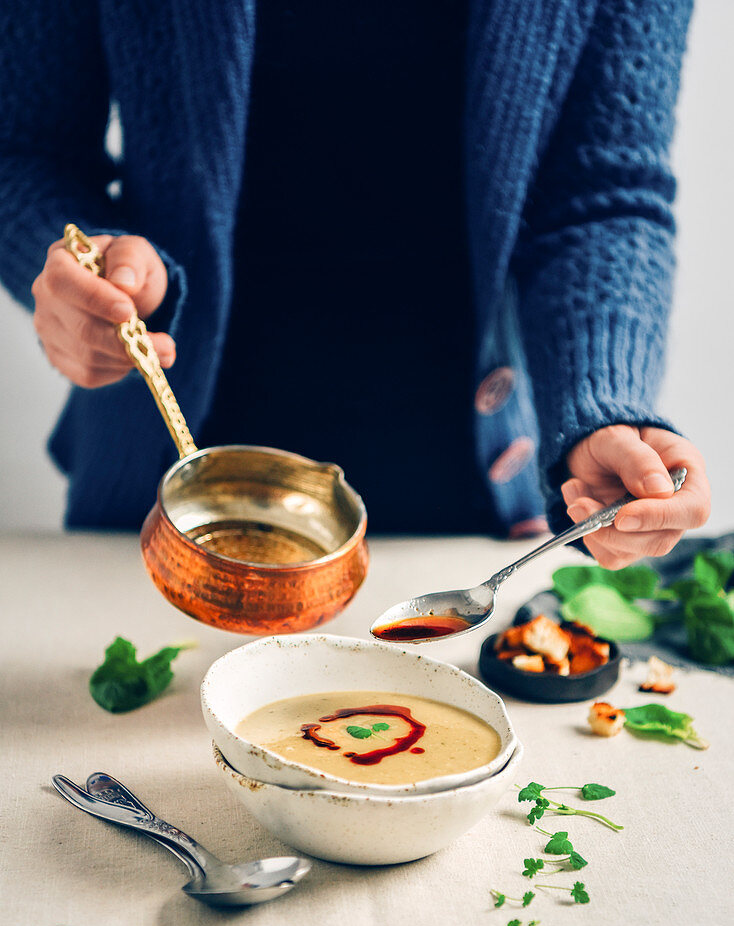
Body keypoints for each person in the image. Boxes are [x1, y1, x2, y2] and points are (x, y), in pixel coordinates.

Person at [0, 1, 710, 566]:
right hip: (159, 505)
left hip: (466, 508)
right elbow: (26, 150)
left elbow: (605, 192)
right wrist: (72, 260)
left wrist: (602, 403)